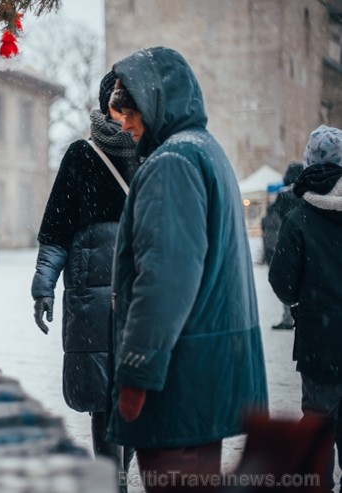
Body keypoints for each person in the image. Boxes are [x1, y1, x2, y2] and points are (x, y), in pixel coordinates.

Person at [106, 47, 269, 492]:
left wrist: (137, 370)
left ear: (156, 103)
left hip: (177, 375)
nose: (124, 123)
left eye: (130, 110)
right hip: (202, 369)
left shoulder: (173, 163)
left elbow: (165, 278)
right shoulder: (204, 150)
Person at [30, 71, 139, 474]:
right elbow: (56, 229)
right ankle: (114, 479)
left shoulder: (156, 151)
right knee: (102, 394)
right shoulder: (81, 154)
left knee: (138, 388)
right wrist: (43, 284)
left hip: (141, 290)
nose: (122, 109)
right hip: (91, 295)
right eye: (115, 99)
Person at [269, 124, 342, 493]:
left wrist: (306, 300)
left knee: (317, 421)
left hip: (320, 342)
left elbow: (281, 283)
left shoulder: (298, 219)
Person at [260, 161, 304, 330]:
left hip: (284, 244)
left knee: (289, 283)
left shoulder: (282, 197)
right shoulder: (307, 195)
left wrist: (270, 251)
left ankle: (288, 317)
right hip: (305, 246)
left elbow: (272, 224)